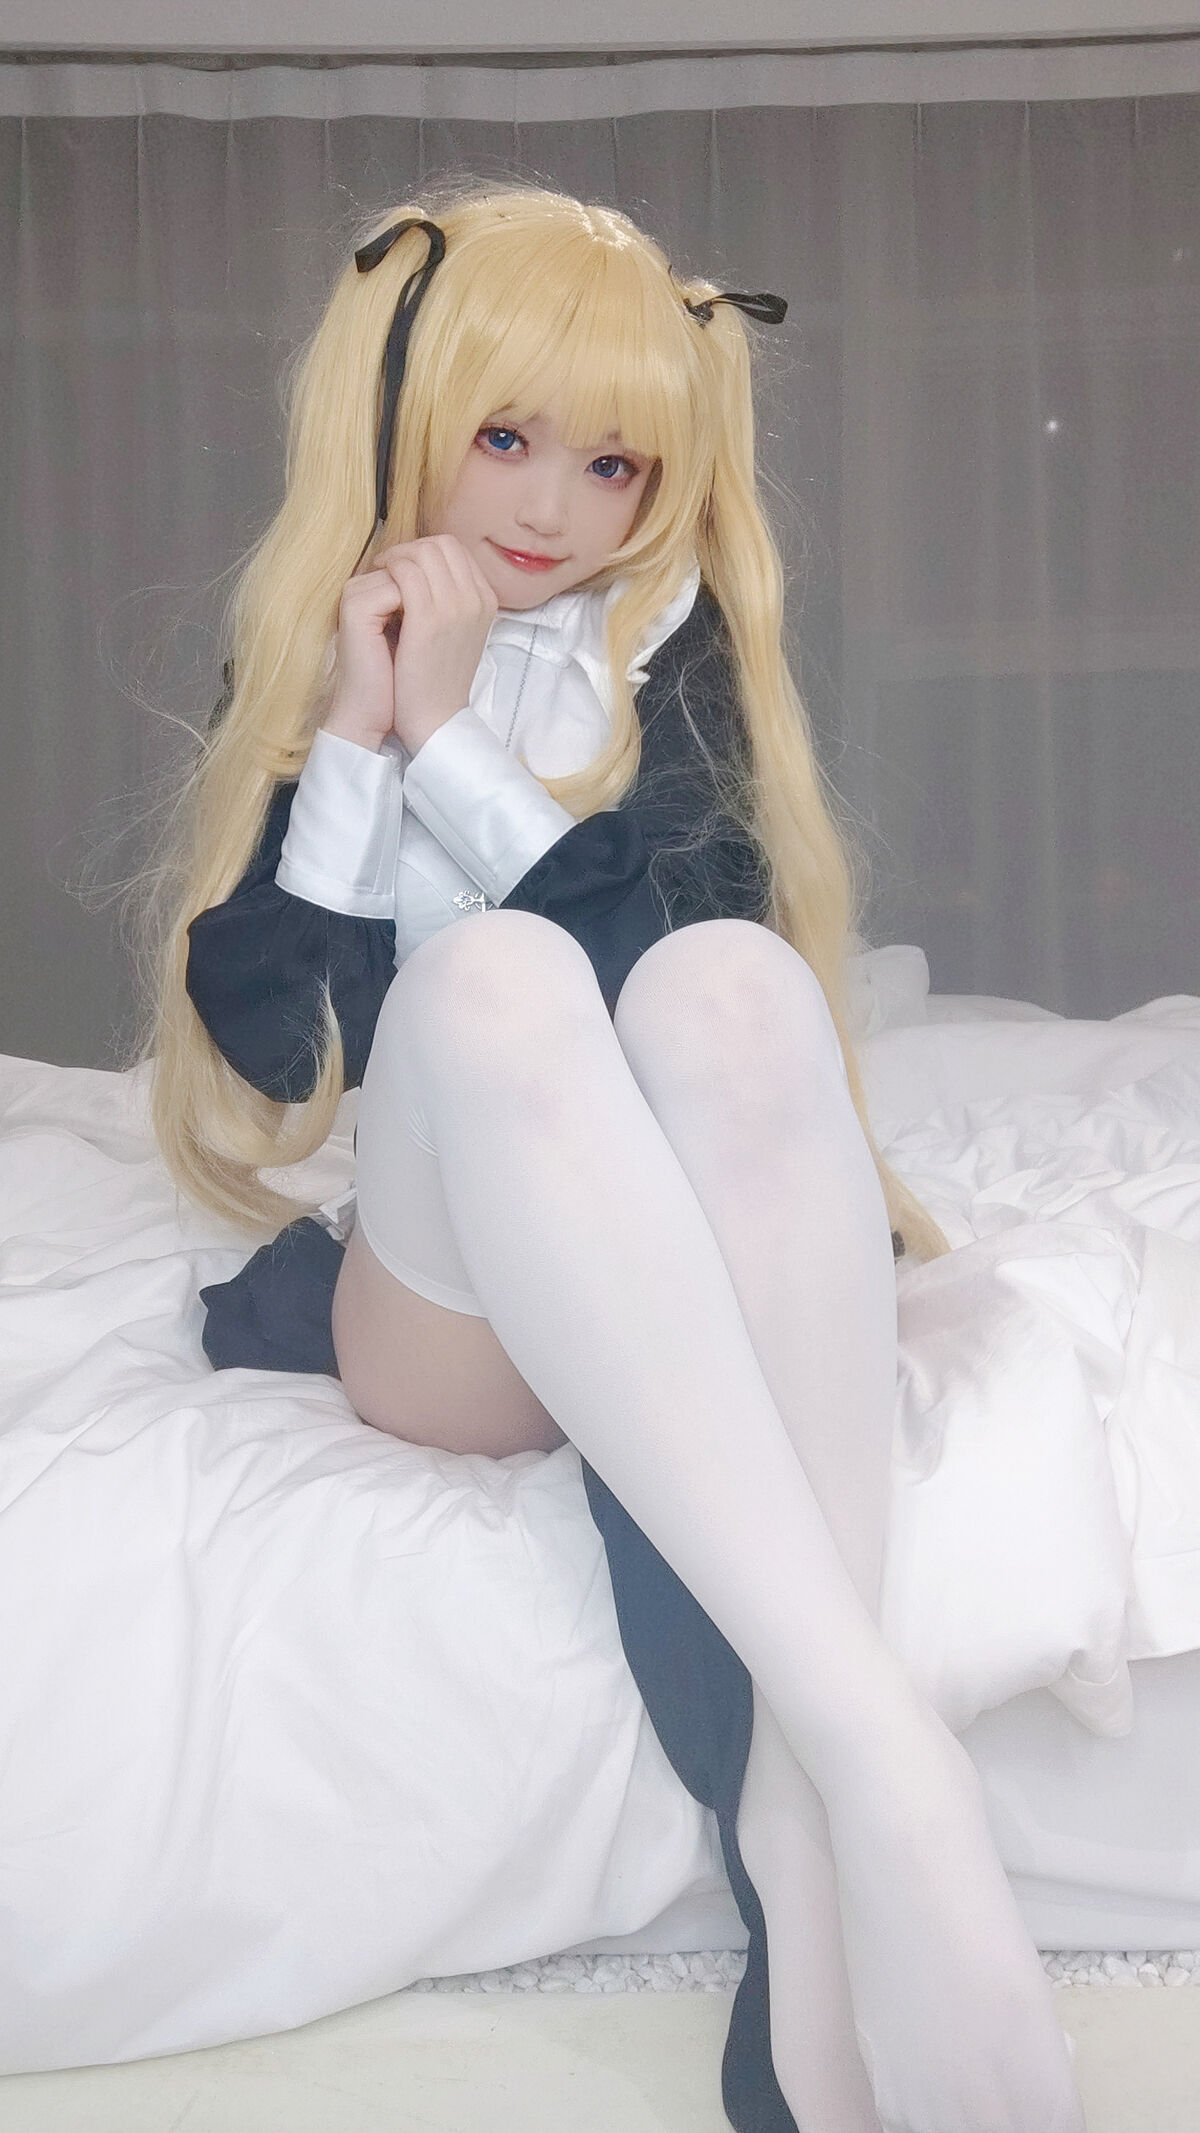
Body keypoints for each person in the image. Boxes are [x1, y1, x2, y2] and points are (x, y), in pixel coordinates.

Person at [140, 178, 1086, 2133]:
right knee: (487, 979)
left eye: (611, 461)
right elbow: (281, 1043)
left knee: (733, 979)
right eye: (505, 435)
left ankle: (811, 1833)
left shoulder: (669, 653)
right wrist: (374, 737)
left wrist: (460, 748)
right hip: (453, 1317)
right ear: (408, 414)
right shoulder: (336, 648)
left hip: (669, 1244)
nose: (551, 505)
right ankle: (890, 1763)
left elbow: (668, 964)